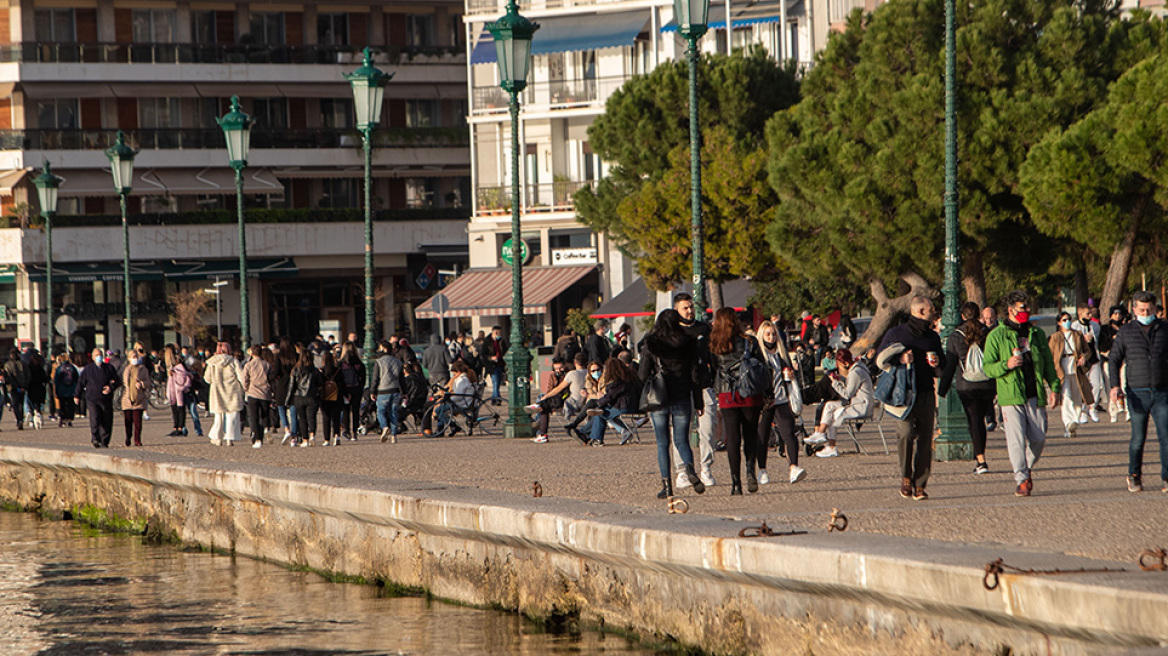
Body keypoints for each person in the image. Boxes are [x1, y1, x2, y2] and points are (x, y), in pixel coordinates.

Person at [983, 290, 1061, 497]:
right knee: (1015, 440)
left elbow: (1048, 364)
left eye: (1027, 307)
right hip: (1010, 395)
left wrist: (1054, 387)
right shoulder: (996, 336)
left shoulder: (1036, 334)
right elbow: (988, 367)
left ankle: (1025, 468)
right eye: (1022, 307)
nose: (1026, 311)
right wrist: (1005, 364)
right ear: (1010, 310)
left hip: (1034, 394)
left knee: (1038, 438)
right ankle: (1021, 479)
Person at [877, 296, 945, 501]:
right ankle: (906, 476)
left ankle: (920, 484)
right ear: (920, 312)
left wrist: (936, 363)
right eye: (931, 309)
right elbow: (879, 359)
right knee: (906, 434)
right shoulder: (896, 333)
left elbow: (941, 367)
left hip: (925, 392)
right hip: (903, 394)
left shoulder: (932, 337)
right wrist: (900, 359)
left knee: (925, 439)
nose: (934, 311)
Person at [639, 309, 706, 498]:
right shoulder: (688, 342)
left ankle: (666, 486)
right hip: (682, 395)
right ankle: (690, 469)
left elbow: (642, 374)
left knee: (662, 443)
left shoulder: (652, 342)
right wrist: (699, 401)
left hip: (659, 397)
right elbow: (695, 374)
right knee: (681, 440)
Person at [1107, 291, 1168, 493]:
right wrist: (1115, 386)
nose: (1145, 312)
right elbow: (1114, 359)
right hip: (1136, 392)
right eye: (1141, 309)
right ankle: (1134, 475)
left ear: (1155, 309)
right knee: (1137, 438)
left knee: (1165, 436)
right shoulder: (1126, 332)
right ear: (1134, 310)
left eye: (1149, 309)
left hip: (1162, 392)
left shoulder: (1164, 329)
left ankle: (1166, 476)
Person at [710, 308, 765, 496]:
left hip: (727, 394)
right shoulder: (750, 341)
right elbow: (761, 367)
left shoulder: (716, 344)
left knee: (732, 438)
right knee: (750, 434)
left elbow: (714, 370)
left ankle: (736, 483)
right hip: (749, 392)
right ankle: (750, 470)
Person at [937, 302, 997, 473]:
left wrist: (943, 389)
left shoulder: (955, 337)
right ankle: (981, 456)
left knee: (974, 420)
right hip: (987, 383)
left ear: (962, 316)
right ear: (979, 315)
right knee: (981, 421)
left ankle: (981, 461)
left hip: (967, 385)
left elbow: (949, 366)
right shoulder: (988, 333)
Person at [672, 293, 718, 489]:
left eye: (691, 306)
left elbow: (713, 356)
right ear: (676, 310)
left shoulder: (704, 329)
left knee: (707, 430)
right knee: (680, 431)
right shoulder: (672, 332)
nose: (689, 310)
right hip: (681, 387)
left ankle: (706, 468)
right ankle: (682, 470)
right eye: (685, 307)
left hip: (704, 385)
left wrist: (713, 378)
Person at [756, 320, 806, 484]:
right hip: (765, 401)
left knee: (789, 434)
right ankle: (762, 470)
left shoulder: (781, 355)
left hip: (782, 399)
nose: (771, 337)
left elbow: (789, 375)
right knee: (762, 437)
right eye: (768, 334)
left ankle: (794, 467)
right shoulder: (759, 357)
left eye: (773, 334)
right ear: (762, 336)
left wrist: (791, 376)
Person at [804, 348, 874, 459]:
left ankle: (831, 446)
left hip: (861, 406)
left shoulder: (856, 372)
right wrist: (840, 378)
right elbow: (851, 385)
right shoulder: (857, 368)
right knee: (829, 405)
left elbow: (847, 394)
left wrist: (835, 382)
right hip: (858, 403)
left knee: (833, 414)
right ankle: (821, 434)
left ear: (845, 363)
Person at [1049, 311, 1093, 437]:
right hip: (1062, 369)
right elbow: (1050, 354)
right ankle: (1070, 422)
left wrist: (1084, 357)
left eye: (1068, 319)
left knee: (1077, 398)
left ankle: (1072, 425)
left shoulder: (1077, 335)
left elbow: (1087, 351)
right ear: (1059, 323)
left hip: (1076, 369)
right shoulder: (1055, 337)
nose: (1067, 321)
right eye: (1064, 320)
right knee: (1066, 397)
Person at [580, 357, 638, 447]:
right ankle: (590, 434)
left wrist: (599, 402)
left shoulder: (619, 381)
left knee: (600, 413)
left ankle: (595, 437)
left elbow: (610, 396)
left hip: (624, 406)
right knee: (603, 412)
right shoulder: (630, 377)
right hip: (632, 404)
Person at [76, 348, 120, 448]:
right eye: (96, 355)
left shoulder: (109, 368)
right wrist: (76, 395)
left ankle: (105, 440)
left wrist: (111, 387)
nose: (98, 357)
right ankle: (95, 438)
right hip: (92, 398)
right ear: (92, 357)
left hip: (106, 399)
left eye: (100, 355)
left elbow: (117, 380)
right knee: (95, 418)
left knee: (106, 419)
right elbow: (81, 382)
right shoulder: (88, 369)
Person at [204, 342, 245, 446]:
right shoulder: (233, 361)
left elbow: (207, 378)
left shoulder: (212, 362)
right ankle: (230, 438)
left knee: (218, 416)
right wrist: (245, 387)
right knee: (232, 415)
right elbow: (241, 376)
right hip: (232, 390)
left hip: (217, 390)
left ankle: (217, 437)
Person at [422, 361, 476, 436]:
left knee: (440, 409)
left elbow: (458, 395)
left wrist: (449, 399)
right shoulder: (461, 379)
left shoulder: (462, 380)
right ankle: (452, 426)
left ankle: (442, 429)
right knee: (440, 408)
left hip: (461, 403)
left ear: (459, 372)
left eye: (454, 373)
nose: (453, 375)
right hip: (460, 401)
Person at [525, 357, 569, 444]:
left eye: (560, 368)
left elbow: (564, 390)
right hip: (553, 398)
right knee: (543, 404)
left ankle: (540, 429)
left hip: (564, 398)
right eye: (556, 369)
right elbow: (550, 389)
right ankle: (542, 433)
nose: (558, 370)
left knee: (542, 402)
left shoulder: (568, 375)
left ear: (564, 366)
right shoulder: (552, 376)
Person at [1072, 307, 1105, 422]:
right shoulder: (1074, 326)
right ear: (1080, 314)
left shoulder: (1095, 326)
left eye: (1090, 313)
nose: (1090, 315)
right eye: (1087, 313)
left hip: (1094, 358)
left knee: (1098, 384)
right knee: (1083, 386)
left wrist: (1092, 338)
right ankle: (1083, 410)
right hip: (1083, 359)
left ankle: (1092, 407)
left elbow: (1098, 340)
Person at [367, 340, 403, 443]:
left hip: (383, 390)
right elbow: (402, 379)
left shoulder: (379, 362)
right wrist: (404, 392)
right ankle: (394, 436)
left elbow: (375, 378)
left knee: (381, 412)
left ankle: (384, 427)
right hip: (395, 390)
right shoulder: (398, 362)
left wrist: (372, 391)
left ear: (385, 349)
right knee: (393, 413)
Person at [1099, 305, 1131, 422]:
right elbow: (1101, 347)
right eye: (1114, 314)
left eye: (1119, 314)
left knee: (1125, 385)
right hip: (1109, 361)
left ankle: (1128, 409)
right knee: (1111, 387)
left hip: (1123, 361)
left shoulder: (1125, 329)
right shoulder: (1105, 330)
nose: (1117, 316)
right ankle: (1113, 411)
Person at [286, 350, 323, 447]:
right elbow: (320, 384)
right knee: (311, 418)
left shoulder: (296, 370)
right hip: (312, 396)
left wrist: (288, 400)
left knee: (302, 419)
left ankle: (305, 439)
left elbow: (291, 386)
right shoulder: (314, 370)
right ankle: (312, 435)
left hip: (299, 396)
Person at [242, 345, 273, 448]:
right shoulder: (267, 364)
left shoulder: (249, 365)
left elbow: (245, 379)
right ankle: (266, 428)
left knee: (254, 417)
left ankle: (257, 439)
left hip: (253, 392)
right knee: (265, 414)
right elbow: (271, 378)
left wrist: (246, 388)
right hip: (265, 392)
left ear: (252, 353)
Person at [120, 351, 150, 446]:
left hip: (139, 398)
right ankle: (128, 437)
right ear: (129, 358)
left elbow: (148, 382)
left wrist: (142, 384)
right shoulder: (126, 369)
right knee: (128, 421)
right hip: (127, 398)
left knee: (138, 422)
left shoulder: (143, 369)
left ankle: (137, 440)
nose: (135, 358)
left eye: (136, 356)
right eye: (133, 357)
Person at [337, 342, 365, 441]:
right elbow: (363, 377)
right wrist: (360, 388)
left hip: (345, 389)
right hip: (356, 388)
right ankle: (354, 432)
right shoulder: (359, 363)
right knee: (356, 411)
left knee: (345, 411)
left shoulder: (341, 363)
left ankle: (346, 430)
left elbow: (339, 378)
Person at [273, 338, 298, 443]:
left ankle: (286, 429)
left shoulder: (279, 357)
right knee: (293, 411)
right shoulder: (296, 357)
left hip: (282, 385)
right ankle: (294, 436)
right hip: (294, 385)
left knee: (281, 408)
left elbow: (275, 373)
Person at [164, 345, 192, 436]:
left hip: (179, 388)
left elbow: (183, 372)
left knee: (180, 408)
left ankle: (180, 427)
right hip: (172, 389)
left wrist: (174, 372)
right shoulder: (169, 365)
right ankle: (175, 426)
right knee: (174, 408)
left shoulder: (178, 362)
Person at [318, 349, 344, 447]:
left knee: (326, 418)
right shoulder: (338, 370)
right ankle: (336, 435)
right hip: (336, 395)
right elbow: (342, 383)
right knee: (336, 417)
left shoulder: (321, 371)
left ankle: (326, 439)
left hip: (325, 396)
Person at [3, 348, 29, 429]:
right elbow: (28, 375)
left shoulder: (8, 365)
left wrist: (15, 386)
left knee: (15, 404)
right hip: (22, 387)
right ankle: (20, 419)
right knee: (21, 404)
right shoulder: (23, 364)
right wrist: (24, 386)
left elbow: (8, 377)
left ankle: (19, 419)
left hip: (13, 388)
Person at [52, 353, 80, 428]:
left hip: (62, 390)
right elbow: (77, 379)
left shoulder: (59, 368)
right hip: (72, 390)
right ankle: (70, 419)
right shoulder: (72, 367)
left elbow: (56, 380)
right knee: (71, 406)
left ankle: (63, 419)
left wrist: (56, 390)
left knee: (62, 405)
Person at [482, 327, 506, 403]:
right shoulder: (487, 341)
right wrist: (490, 358)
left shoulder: (501, 341)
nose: (499, 334)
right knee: (495, 382)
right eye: (498, 332)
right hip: (492, 365)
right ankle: (498, 399)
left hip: (500, 364)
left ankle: (493, 399)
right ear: (494, 332)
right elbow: (483, 354)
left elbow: (505, 350)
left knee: (498, 383)